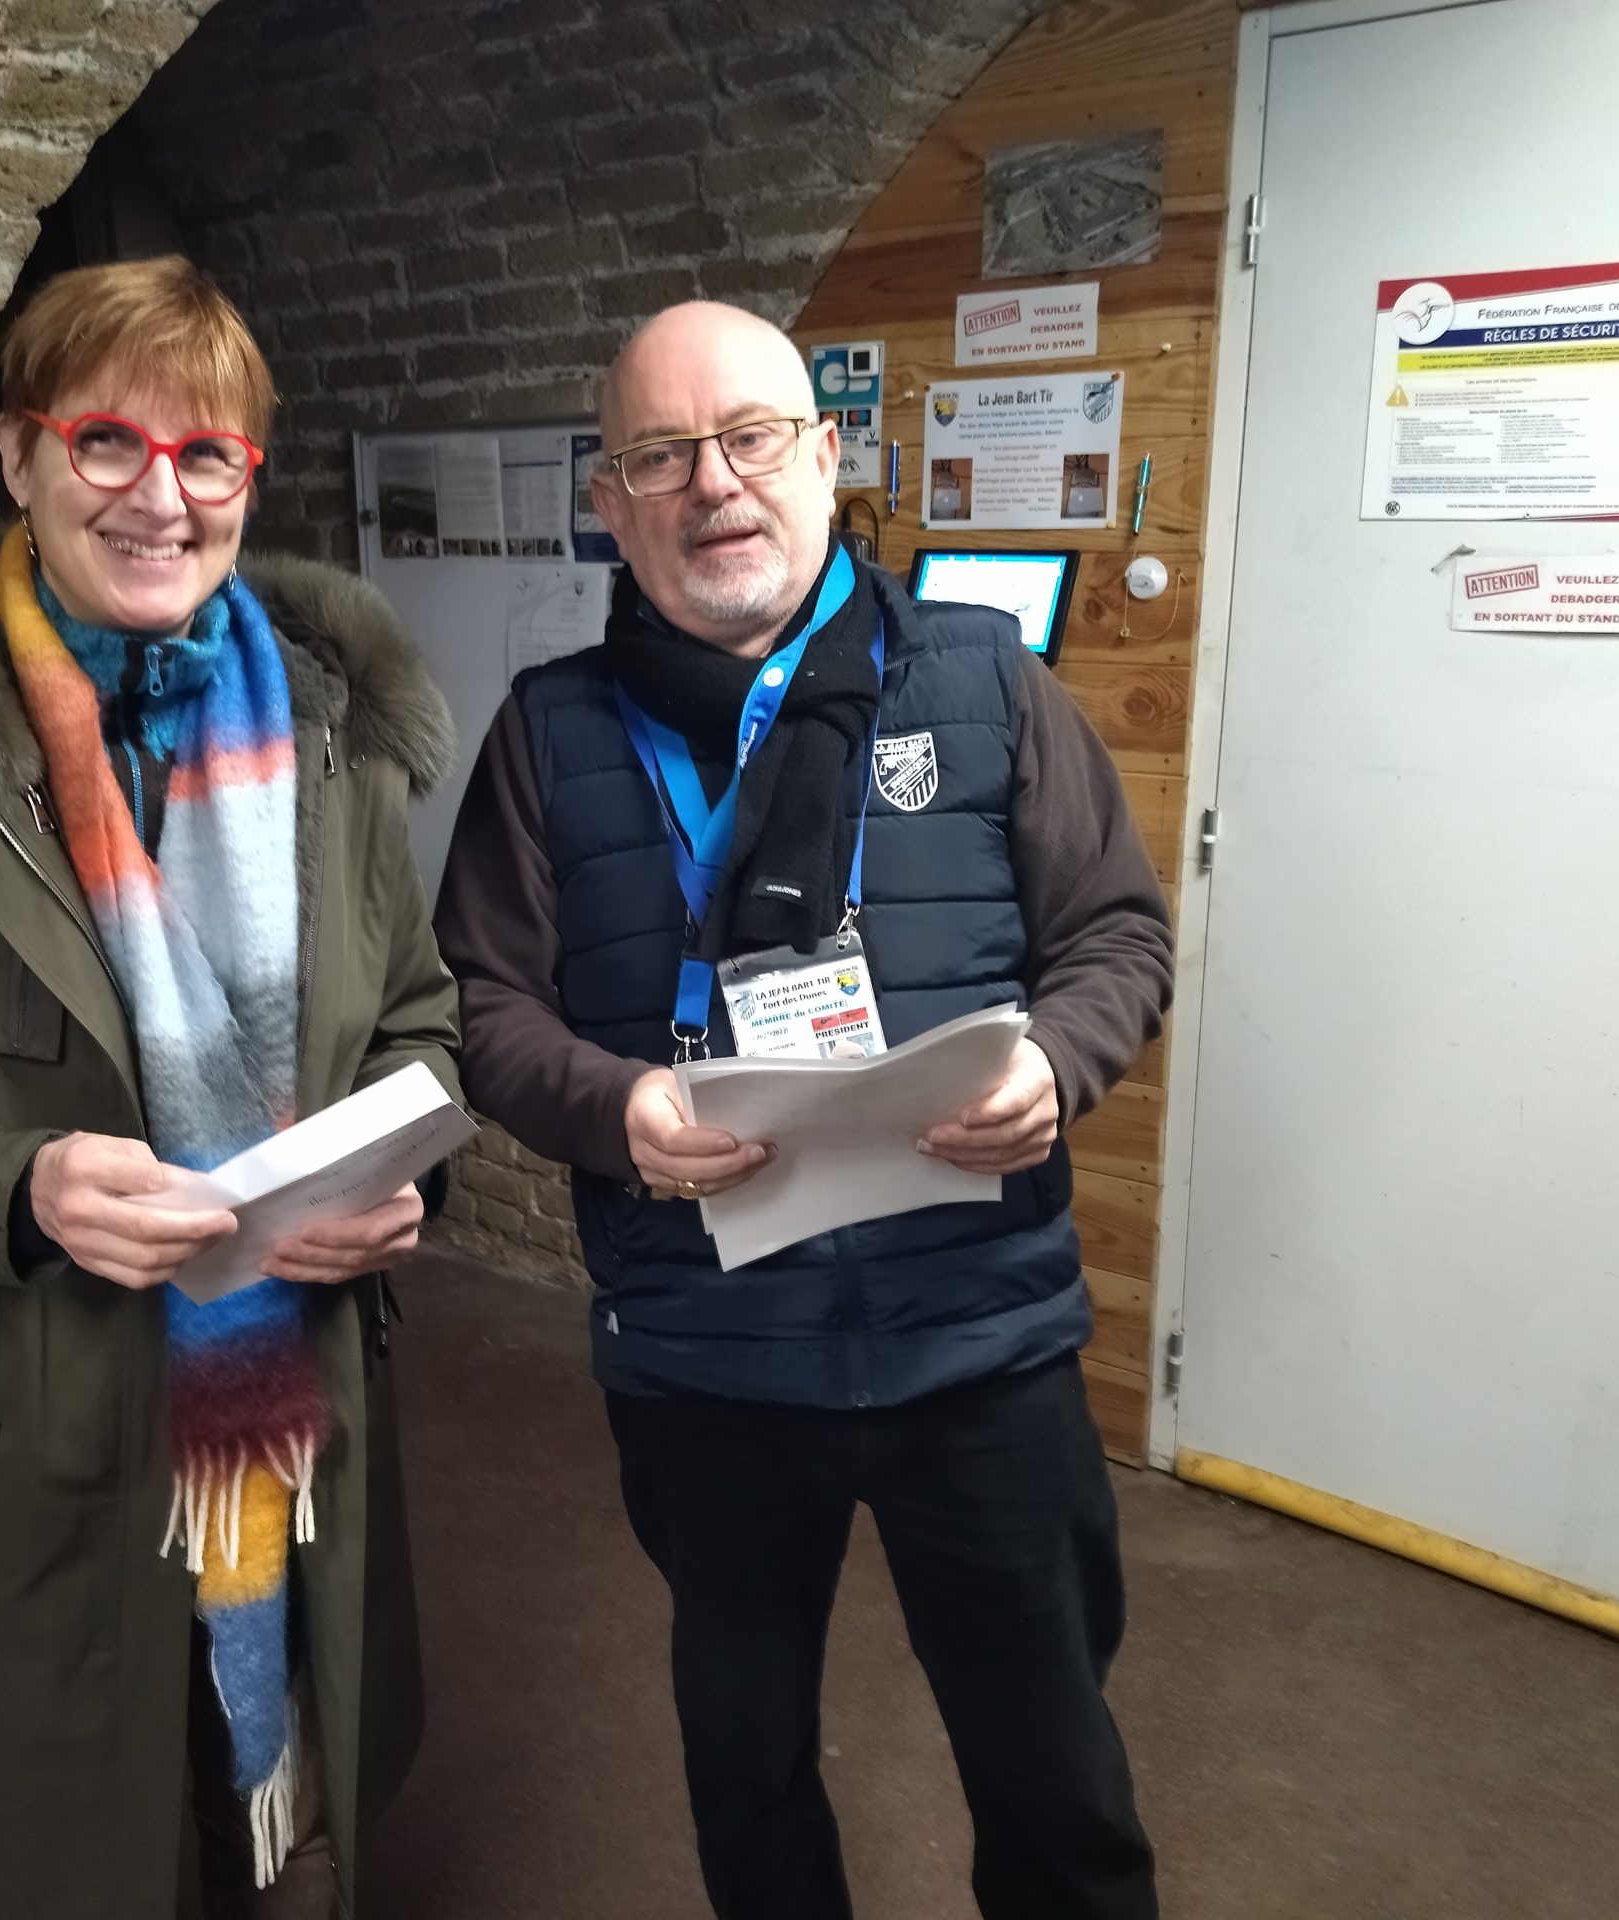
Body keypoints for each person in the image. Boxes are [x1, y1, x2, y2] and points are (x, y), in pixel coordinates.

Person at [0, 255, 461, 1920]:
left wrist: (391, 1175)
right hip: (18, 1438)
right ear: (20, 454)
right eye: (108, 442)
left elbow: (420, 1026)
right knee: (58, 1849)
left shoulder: (331, 731)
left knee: (257, 1828)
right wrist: (22, 1189)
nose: (160, 497)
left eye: (207, 455)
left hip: (285, 1413)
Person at [433, 301, 1172, 1920]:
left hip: (980, 1345)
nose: (713, 482)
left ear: (825, 456)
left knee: (1056, 1775)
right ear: (611, 501)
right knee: (747, 1770)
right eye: (660, 455)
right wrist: (614, 1105)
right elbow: (480, 1006)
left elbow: (1118, 936)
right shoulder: (548, 732)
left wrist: (1054, 1063)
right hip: (706, 1360)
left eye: (751, 437)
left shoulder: (984, 678)